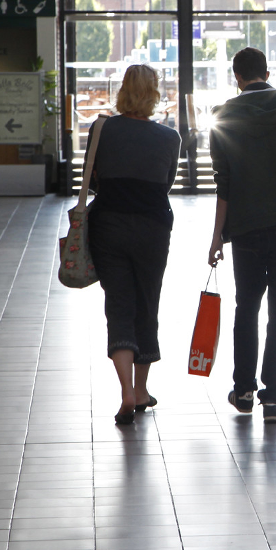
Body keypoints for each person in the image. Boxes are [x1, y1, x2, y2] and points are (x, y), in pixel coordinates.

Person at [207, 47, 276, 424]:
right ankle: (273, 399)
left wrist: (216, 237)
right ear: (267, 72)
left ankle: (243, 390)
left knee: (247, 307)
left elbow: (223, 185)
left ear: (236, 77)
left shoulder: (224, 115)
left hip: (247, 228)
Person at [86, 64, 181, 426]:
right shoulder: (168, 138)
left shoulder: (102, 129)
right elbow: (166, 183)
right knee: (146, 303)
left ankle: (125, 390)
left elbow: (89, 180)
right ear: (154, 93)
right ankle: (141, 390)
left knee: (119, 304)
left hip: (108, 224)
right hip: (153, 228)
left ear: (123, 90)